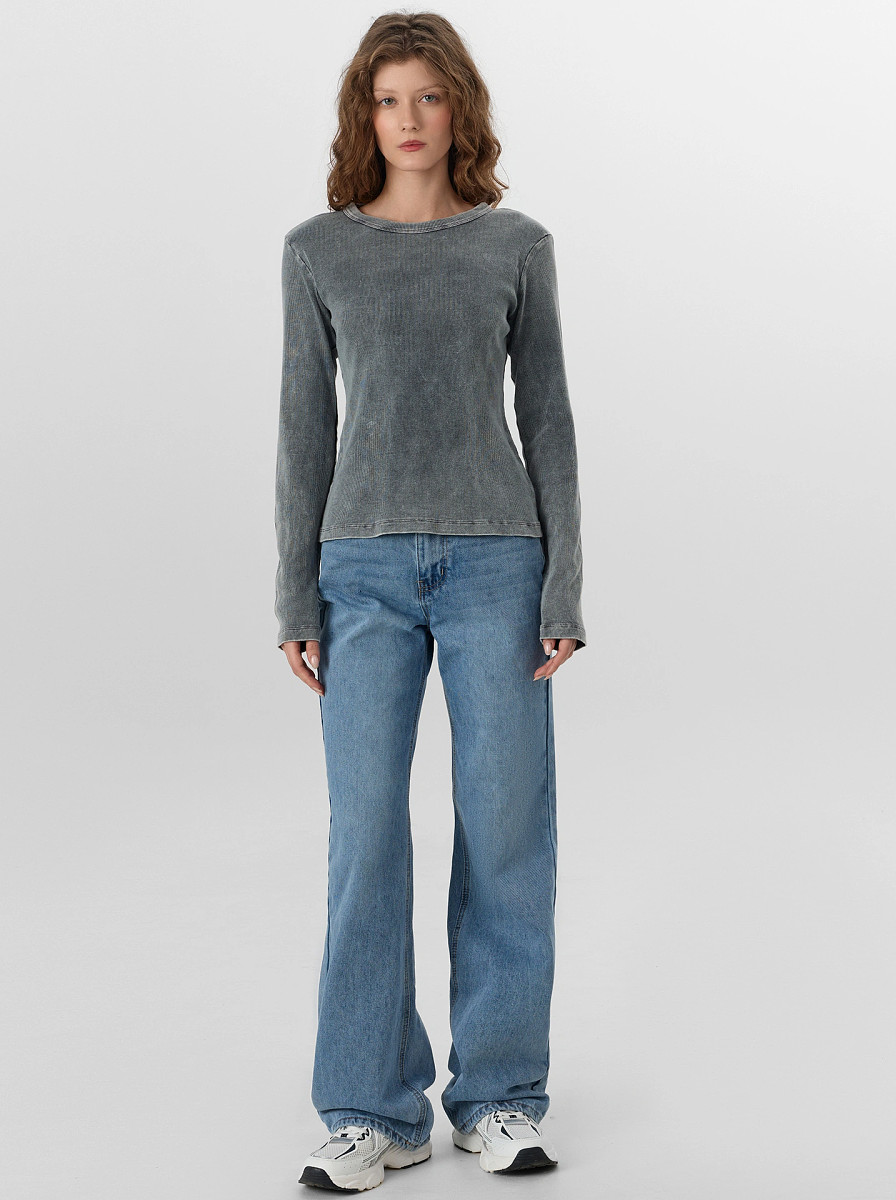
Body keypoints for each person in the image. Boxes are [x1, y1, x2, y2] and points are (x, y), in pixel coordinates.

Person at [274, 11, 586, 1190]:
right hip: (358, 571)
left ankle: (498, 1097)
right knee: (366, 838)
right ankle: (373, 1109)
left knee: (506, 830)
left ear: (462, 107)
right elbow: (303, 429)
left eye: (429, 96)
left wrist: (564, 579)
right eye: (388, 99)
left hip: (499, 564)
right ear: (365, 115)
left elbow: (547, 416)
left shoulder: (516, 245)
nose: (409, 119)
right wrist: (293, 593)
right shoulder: (318, 250)